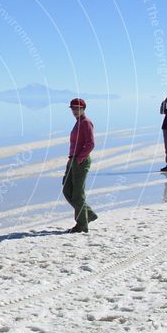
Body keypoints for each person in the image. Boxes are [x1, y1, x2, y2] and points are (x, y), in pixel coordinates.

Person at [62, 98, 97, 233]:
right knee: (67, 189)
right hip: (73, 160)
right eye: (73, 108)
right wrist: (72, 160)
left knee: (77, 194)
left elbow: (91, 143)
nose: (75, 111)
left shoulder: (86, 123)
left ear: (83, 109)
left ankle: (82, 225)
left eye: (77, 108)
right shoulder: (78, 123)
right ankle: (88, 214)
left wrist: (79, 159)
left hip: (80, 161)